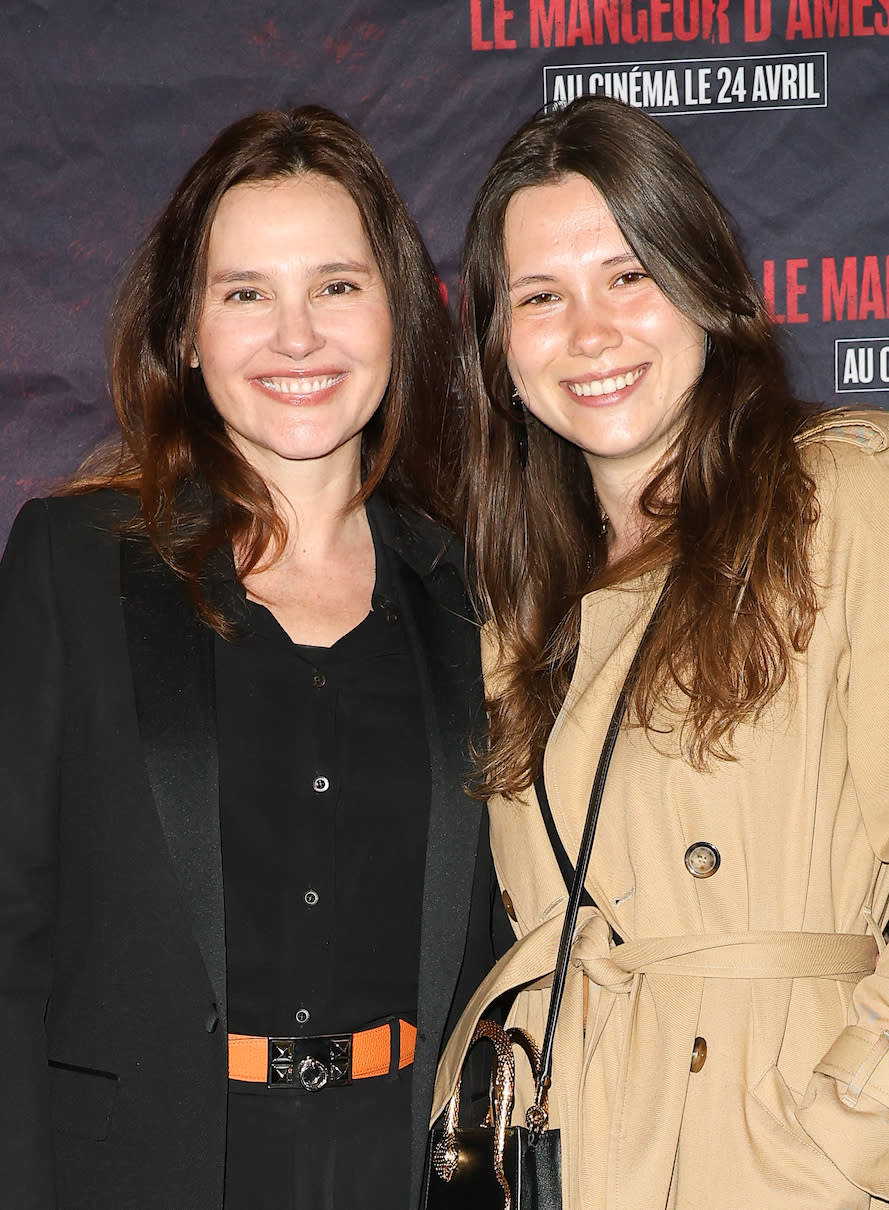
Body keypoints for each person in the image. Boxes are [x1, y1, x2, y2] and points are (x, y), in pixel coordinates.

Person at [0, 105, 506, 1210]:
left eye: (336, 285)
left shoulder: (477, 592)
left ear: (398, 314)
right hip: (140, 1171)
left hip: (406, 1165)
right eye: (245, 294)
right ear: (185, 332)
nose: (297, 337)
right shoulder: (70, 566)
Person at [432, 95, 889, 1210]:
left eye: (627, 275)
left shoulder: (840, 497)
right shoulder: (514, 607)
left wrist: (834, 1147)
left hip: (772, 1158)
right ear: (498, 353)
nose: (590, 333)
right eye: (541, 297)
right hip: (577, 1154)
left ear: (705, 289)